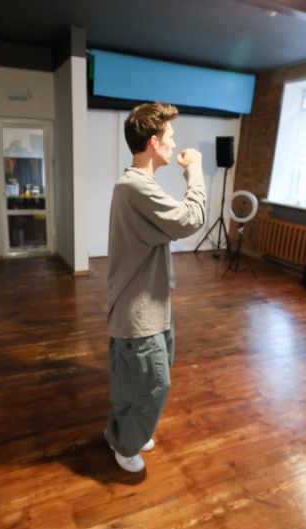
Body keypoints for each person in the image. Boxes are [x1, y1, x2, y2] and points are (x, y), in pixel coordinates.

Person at [103, 102, 207, 472]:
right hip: (139, 311)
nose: (174, 143)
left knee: (133, 381)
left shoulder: (137, 185)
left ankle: (123, 432)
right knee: (153, 384)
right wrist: (195, 171)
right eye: (170, 137)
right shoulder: (135, 187)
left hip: (151, 304)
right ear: (153, 142)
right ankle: (125, 444)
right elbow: (191, 218)